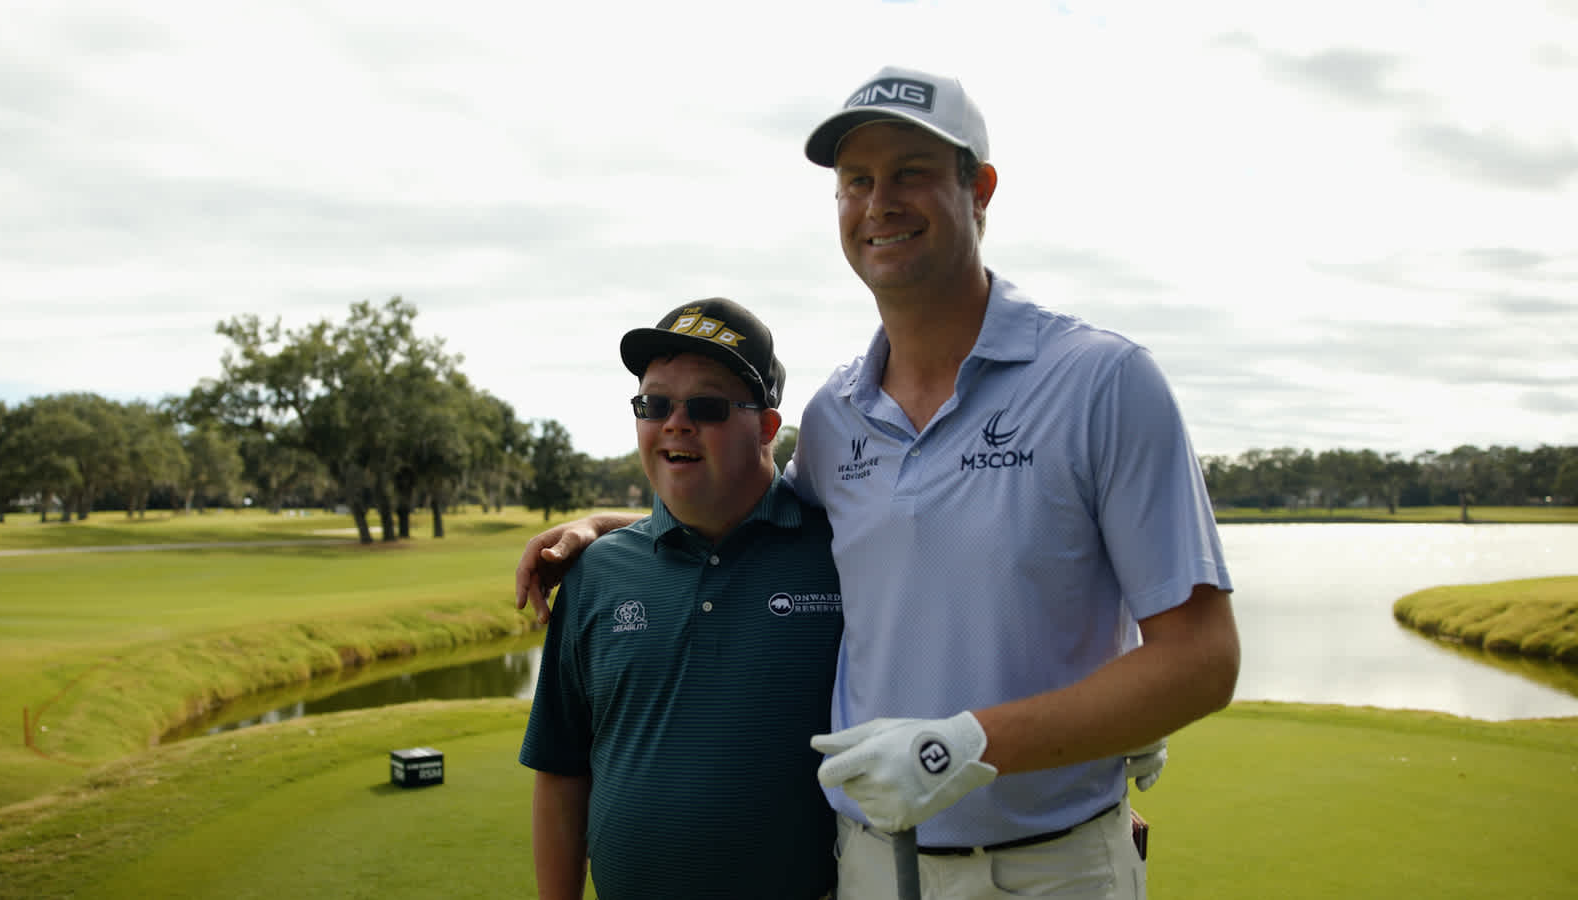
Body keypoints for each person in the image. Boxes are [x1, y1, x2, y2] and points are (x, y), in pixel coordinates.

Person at [519, 66, 1240, 900]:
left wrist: (961, 746)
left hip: (1051, 867)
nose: (879, 202)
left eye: (911, 173)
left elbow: (1203, 660)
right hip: (866, 870)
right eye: (856, 181)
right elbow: (757, 514)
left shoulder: (1102, 381)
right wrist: (616, 532)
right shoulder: (836, 415)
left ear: (981, 191)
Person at [518, 297, 843, 900]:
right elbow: (563, 773)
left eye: (707, 406)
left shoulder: (841, 556)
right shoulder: (597, 573)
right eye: (655, 404)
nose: (675, 422)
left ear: (767, 428)